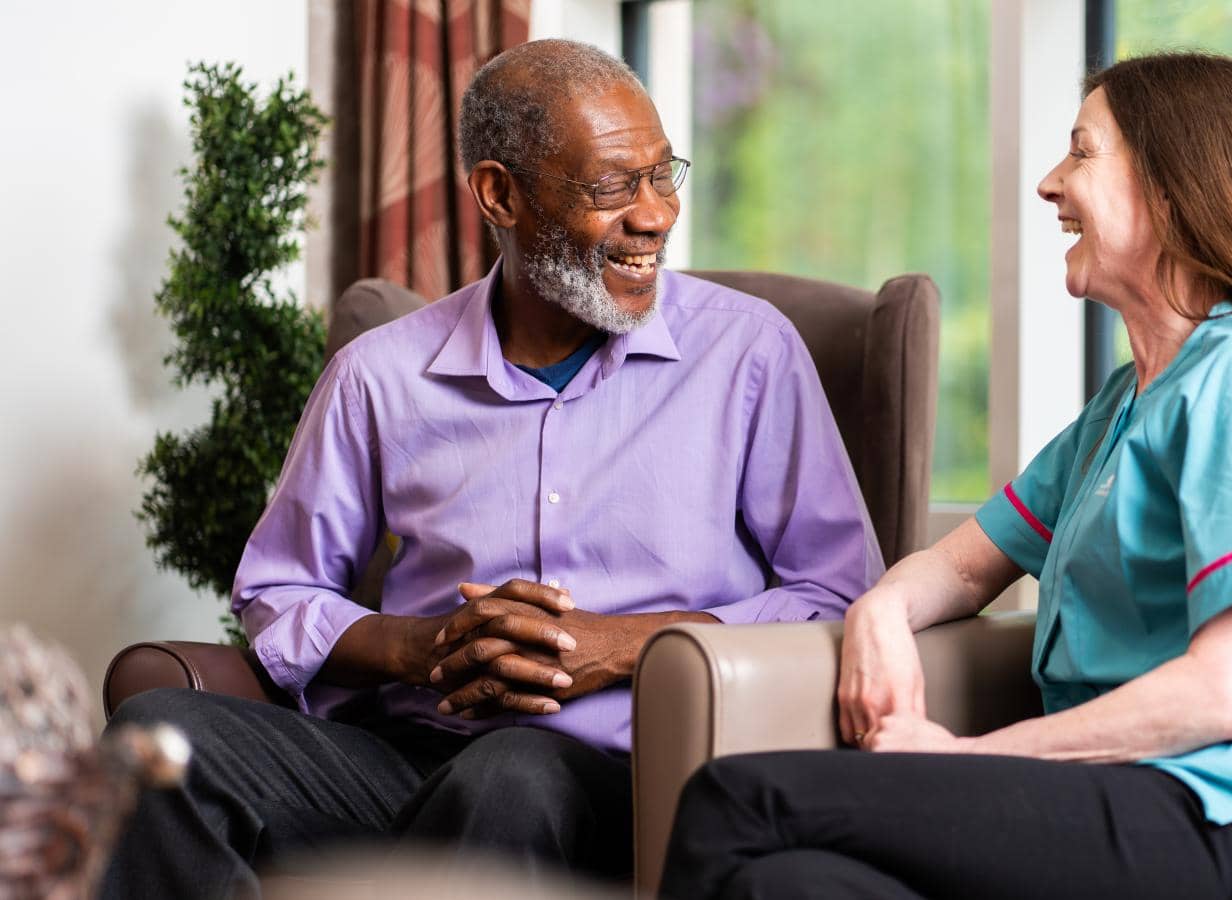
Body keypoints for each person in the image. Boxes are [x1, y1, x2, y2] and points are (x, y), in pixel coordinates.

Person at [101, 39, 882, 898]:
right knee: (156, 738)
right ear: (499, 193)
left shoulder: (748, 353)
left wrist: (628, 646)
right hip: (409, 755)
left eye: (665, 175)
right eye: (615, 185)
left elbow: (841, 598)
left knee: (511, 775)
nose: (656, 214)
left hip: (631, 771)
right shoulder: (380, 375)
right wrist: (418, 647)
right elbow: (279, 592)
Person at [661, 52, 1232, 900]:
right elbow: (963, 565)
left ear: (1173, 188)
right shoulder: (1128, 399)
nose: (1051, 183)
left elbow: (1229, 692)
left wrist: (964, 759)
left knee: (737, 800)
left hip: (1224, 823)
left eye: (1083, 153)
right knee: (790, 885)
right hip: (1118, 803)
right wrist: (877, 612)